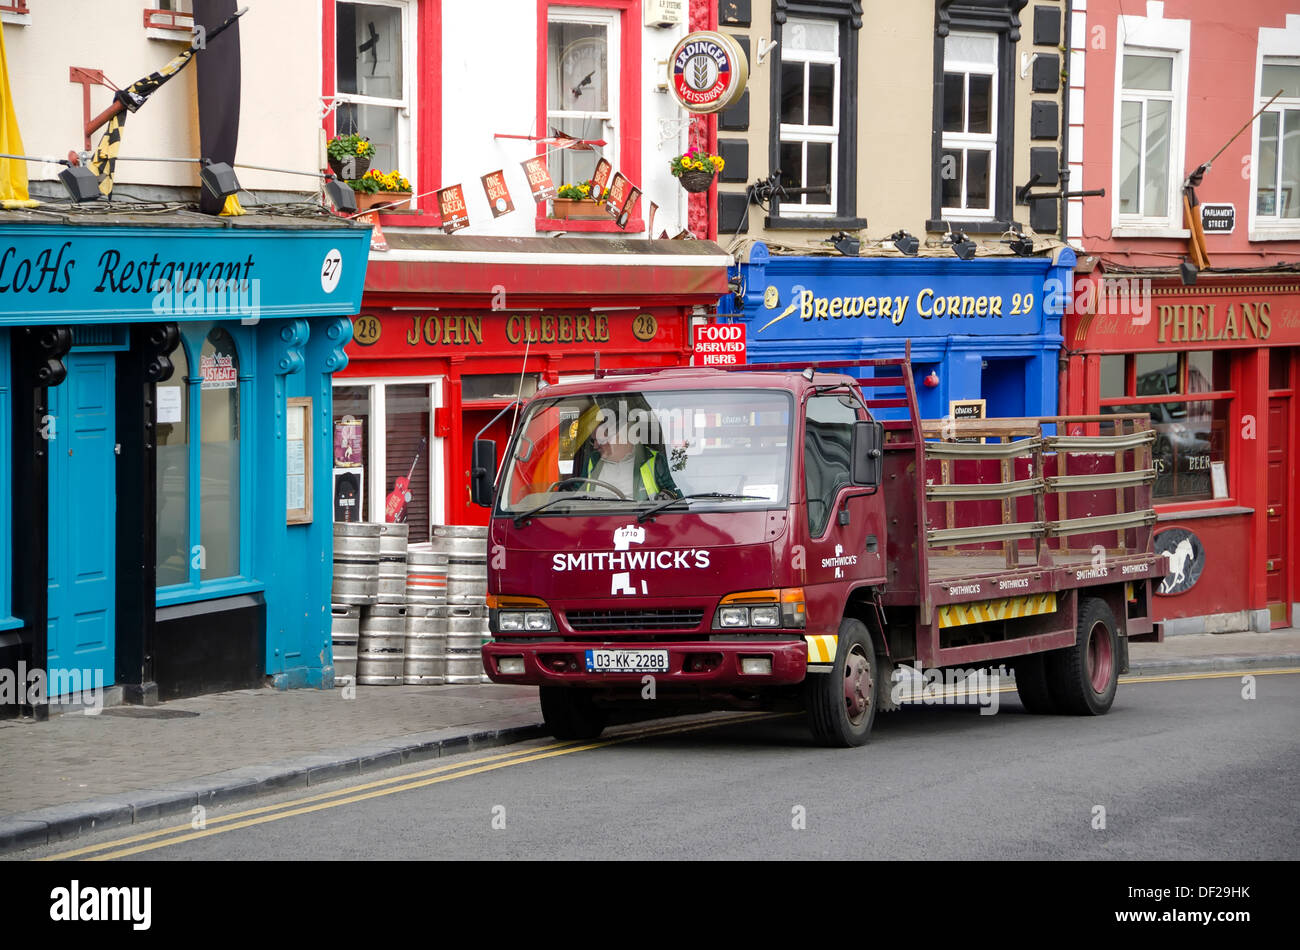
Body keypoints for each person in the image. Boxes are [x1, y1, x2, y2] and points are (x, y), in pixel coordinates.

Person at [570, 402, 679, 501]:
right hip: (597, 521)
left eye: (600, 440)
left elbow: (677, 493)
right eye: (593, 441)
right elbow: (576, 493)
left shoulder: (654, 460)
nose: (595, 446)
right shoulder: (592, 460)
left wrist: (668, 495)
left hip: (639, 520)